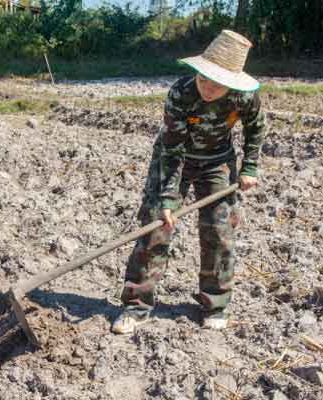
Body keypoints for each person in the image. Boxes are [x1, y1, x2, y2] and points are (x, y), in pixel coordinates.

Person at [112, 30, 266, 334]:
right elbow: (172, 150)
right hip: (174, 159)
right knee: (156, 224)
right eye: (204, 78)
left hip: (217, 163)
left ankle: (216, 304)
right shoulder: (181, 93)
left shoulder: (244, 98)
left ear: (231, 83)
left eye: (218, 83)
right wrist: (169, 199)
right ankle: (135, 306)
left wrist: (249, 166)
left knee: (219, 230)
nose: (209, 88)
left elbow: (256, 129)